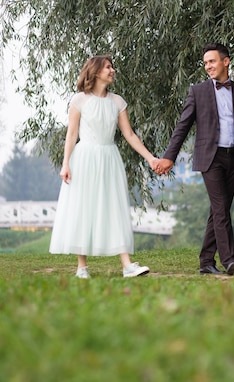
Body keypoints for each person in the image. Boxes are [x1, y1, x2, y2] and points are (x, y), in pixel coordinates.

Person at [49, 55, 159, 279]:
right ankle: (82, 268)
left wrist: (150, 158)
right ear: (96, 71)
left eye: (112, 67)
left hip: (109, 158)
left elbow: (129, 134)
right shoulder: (79, 100)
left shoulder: (117, 102)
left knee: (115, 206)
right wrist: (65, 163)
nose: (113, 70)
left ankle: (127, 266)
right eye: (108, 67)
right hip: (85, 158)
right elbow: (71, 134)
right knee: (82, 207)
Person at [154, 43, 234, 277]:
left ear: (226, 62)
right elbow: (182, 126)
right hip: (211, 158)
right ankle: (230, 259)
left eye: (212, 61)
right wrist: (170, 156)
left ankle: (206, 261)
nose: (208, 66)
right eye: (205, 63)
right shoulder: (197, 92)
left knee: (219, 210)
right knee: (221, 209)